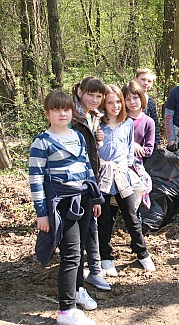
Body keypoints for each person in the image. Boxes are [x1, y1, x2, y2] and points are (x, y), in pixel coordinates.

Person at [30, 90, 103, 325]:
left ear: (72, 112)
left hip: (83, 199)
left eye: (66, 109)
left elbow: (87, 169)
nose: (62, 114)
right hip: (61, 205)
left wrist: (94, 199)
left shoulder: (78, 136)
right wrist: (42, 213)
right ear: (47, 113)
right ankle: (66, 309)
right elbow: (36, 180)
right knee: (70, 254)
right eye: (56, 110)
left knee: (80, 249)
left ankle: (79, 289)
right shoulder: (42, 142)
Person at [97, 85, 156, 277]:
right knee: (106, 220)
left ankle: (142, 253)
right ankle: (106, 258)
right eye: (110, 102)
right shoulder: (98, 126)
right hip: (105, 177)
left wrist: (130, 169)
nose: (115, 106)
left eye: (118, 102)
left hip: (123, 176)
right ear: (104, 105)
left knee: (132, 217)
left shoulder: (127, 123)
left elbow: (130, 150)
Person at [71, 77, 110, 291]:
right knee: (78, 233)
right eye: (90, 95)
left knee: (92, 226)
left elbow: (91, 150)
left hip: (91, 179)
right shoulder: (71, 117)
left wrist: (98, 140)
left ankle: (94, 271)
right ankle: (77, 282)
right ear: (79, 91)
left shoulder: (93, 117)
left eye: (98, 96)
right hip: (74, 182)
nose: (94, 99)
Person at [134, 68, 161, 148]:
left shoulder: (150, 101)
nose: (145, 83)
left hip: (144, 142)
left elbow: (155, 122)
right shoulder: (126, 97)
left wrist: (157, 142)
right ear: (135, 79)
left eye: (149, 81)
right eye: (143, 79)